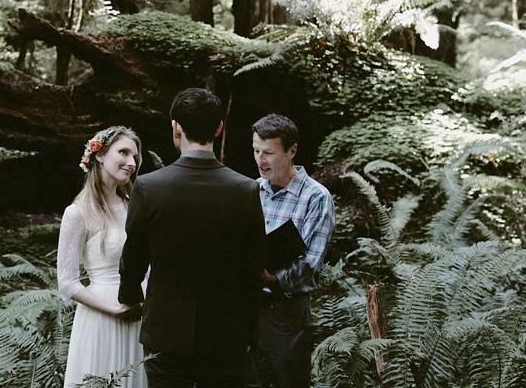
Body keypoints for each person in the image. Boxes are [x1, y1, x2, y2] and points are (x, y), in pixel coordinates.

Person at [118, 88, 265, 388]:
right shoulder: (246, 190)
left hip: (166, 332)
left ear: (175, 127)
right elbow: (253, 269)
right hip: (227, 334)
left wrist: (130, 296)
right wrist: (248, 329)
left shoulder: (148, 187)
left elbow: (133, 259)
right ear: (219, 128)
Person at [58, 126, 147, 388]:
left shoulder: (135, 206)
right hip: (103, 314)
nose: (131, 163)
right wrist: (115, 309)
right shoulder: (77, 213)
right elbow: (67, 282)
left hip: (142, 311)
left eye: (135, 157)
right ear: (99, 155)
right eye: (124, 153)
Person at [251, 114, 335, 388]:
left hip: (285, 311)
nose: (261, 160)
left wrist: (273, 280)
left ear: (291, 151)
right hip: (246, 305)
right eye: (256, 151)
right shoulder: (253, 190)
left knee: (289, 381)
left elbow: (312, 259)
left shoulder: (316, 196)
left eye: (269, 153)